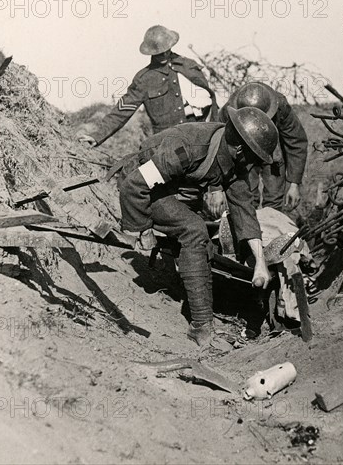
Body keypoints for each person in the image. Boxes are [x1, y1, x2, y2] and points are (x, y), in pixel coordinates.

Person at [119, 107, 279, 346]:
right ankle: (202, 327)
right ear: (239, 150)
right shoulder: (186, 148)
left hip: (174, 188)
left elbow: (245, 213)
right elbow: (134, 186)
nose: (254, 165)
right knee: (194, 230)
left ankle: (199, 308)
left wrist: (260, 264)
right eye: (254, 157)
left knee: (201, 239)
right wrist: (141, 229)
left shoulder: (233, 161)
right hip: (143, 189)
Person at [78, 25, 217, 147]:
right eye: (158, 52)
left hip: (200, 135)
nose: (163, 54)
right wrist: (97, 135)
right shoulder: (144, 79)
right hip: (167, 144)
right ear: (150, 52)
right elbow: (122, 110)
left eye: (166, 50)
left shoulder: (188, 65)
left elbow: (211, 99)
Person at [211, 82, 308, 217]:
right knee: (246, 201)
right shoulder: (228, 112)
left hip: (273, 154)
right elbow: (216, 149)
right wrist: (216, 188)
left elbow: (296, 142)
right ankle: (249, 234)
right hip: (243, 155)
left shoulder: (281, 107)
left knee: (274, 204)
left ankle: (271, 231)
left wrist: (294, 183)